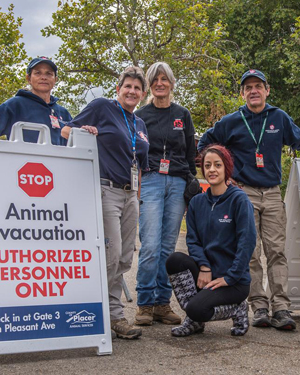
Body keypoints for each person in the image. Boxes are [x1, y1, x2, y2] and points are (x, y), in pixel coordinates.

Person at [198, 69, 300, 331]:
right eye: (248, 87)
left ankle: (281, 307)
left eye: (258, 86)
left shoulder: (278, 118)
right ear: (242, 93)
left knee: (276, 252)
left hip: (271, 193)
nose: (254, 91)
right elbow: (205, 145)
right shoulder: (231, 121)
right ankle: (258, 306)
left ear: (267, 90)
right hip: (242, 193)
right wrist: (223, 177)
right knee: (249, 252)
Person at [61, 66, 149, 339]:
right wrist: (84, 133)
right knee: (110, 256)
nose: (132, 91)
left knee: (124, 256)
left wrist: (137, 197)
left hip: (130, 194)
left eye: (137, 88)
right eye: (128, 86)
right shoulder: (102, 108)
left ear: (142, 94)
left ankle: (107, 313)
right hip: (106, 190)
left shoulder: (140, 124)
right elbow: (66, 131)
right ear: (118, 89)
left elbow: (141, 165)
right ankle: (111, 315)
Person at [165, 145, 255, 337]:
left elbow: (246, 243)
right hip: (207, 274)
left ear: (226, 168)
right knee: (174, 260)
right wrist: (204, 267)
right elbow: (193, 240)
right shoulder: (197, 202)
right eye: (207, 165)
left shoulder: (239, 200)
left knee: (197, 309)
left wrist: (231, 277)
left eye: (217, 165)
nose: (212, 169)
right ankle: (195, 321)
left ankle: (237, 309)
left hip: (234, 281)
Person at [134, 62, 197, 327]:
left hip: (178, 183)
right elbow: (134, 151)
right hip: (150, 180)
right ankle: (145, 303)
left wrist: (192, 181)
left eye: (165, 79)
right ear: (150, 85)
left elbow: (190, 152)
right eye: (155, 80)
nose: (160, 83)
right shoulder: (141, 115)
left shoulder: (182, 113)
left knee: (168, 247)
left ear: (172, 83)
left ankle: (162, 302)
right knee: (149, 244)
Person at [0, 56, 71, 146]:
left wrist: (86, 130)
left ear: (55, 80)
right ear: (28, 78)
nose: (43, 77)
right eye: (38, 73)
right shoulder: (15, 105)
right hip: (23, 160)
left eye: (49, 74)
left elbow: (76, 142)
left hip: (57, 160)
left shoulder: (64, 113)